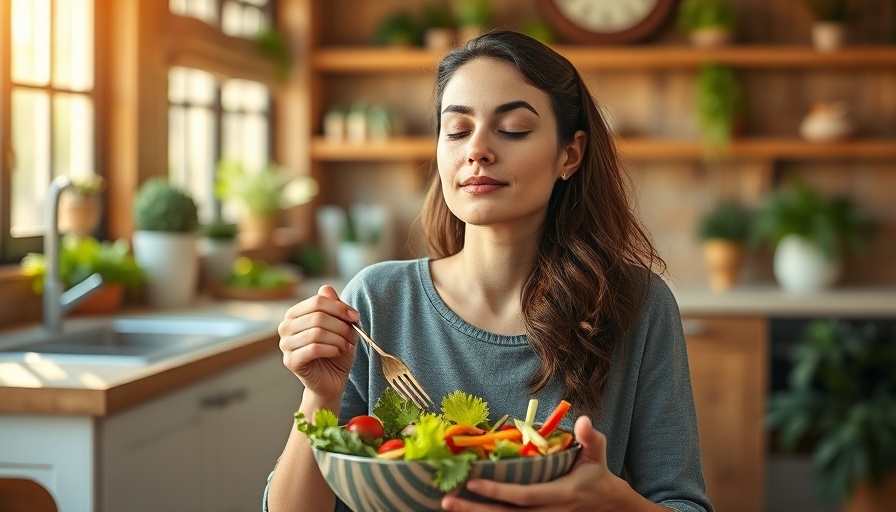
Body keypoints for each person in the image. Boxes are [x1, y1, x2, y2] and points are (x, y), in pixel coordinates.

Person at [265, 30, 712, 512]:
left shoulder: (636, 304)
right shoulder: (376, 299)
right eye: (456, 130)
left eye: (514, 128)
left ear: (570, 154)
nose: (476, 149)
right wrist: (319, 397)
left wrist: (614, 503)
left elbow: (683, 503)